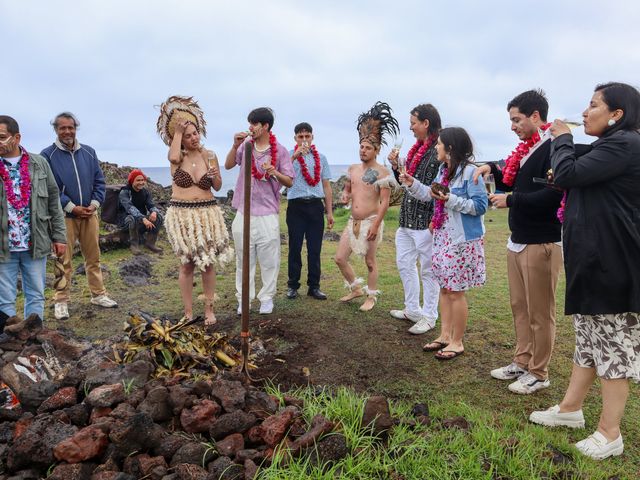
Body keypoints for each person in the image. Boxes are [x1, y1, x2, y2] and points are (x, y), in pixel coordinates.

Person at [529, 82, 640, 460]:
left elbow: (567, 174)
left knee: (612, 349)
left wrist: (561, 137)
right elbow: (574, 177)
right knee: (590, 343)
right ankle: (570, 409)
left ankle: (610, 433)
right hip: (592, 261)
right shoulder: (610, 147)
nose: (586, 111)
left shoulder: (626, 144)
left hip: (614, 263)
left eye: (593, 105)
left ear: (616, 114)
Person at [473, 90, 563, 394]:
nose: (512, 126)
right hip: (518, 239)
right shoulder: (528, 148)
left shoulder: (555, 148)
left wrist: (511, 199)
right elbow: (513, 175)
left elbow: (554, 194)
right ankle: (522, 360)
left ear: (536, 116)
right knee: (520, 307)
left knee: (540, 311)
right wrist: (492, 167)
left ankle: (540, 372)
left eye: (516, 119)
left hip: (542, 241)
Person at [400, 127, 487, 359]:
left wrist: (450, 199)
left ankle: (457, 342)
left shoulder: (471, 172)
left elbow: (480, 206)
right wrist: (412, 183)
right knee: (445, 288)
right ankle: (445, 335)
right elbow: (431, 194)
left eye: (439, 144)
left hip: (462, 240)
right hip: (442, 237)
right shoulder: (443, 170)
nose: (436, 147)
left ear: (449, 148)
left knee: (456, 291)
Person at [157, 96, 233, 326]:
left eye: (195, 133)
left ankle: (209, 310)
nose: (193, 138)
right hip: (182, 215)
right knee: (187, 263)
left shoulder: (209, 155)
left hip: (206, 212)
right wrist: (177, 133)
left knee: (207, 262)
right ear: (178, 138)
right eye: (187, 135)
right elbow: (172, 155)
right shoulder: (176, 157)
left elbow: (218, 186)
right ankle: (188, 312)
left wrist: (214, 175)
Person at [41, 112, 118, 320]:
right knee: (62, 260)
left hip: (89, 215)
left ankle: (98, 295)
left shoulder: (89, 152)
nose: (67, 131)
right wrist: (71, 207)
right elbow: (50, 188)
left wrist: (94, 204)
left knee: (93, 257)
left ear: (76, 128)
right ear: (56, 130)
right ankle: (61, 301)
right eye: (62, 128)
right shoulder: (47, 155)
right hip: (63, 217)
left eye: (70, 127)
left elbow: (99, 181)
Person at [225, 107, 294, 315]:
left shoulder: (279, 150)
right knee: (243, 258)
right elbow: (228, 165)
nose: (250, 127)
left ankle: (266, 298)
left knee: (269, 259)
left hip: (267, 212)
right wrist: (235, 144)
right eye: (250, 123)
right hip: (243, 212)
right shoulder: (245, 145)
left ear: (265, 126)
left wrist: (274, 172)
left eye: (254, 124)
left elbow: (289, 181)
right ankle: (243, 299)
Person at [0, 115, 67, 325]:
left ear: (17, 137)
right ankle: (8, 341)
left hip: (35, 243)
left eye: (2, 137)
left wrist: (59, 237)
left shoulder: (39, 164)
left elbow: (53, 201)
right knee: (4, 300)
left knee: (36, 294)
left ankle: (34, 339)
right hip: (3, 247)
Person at [335, 102, 398, 312]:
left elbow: (385, 202)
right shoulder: (352, 169)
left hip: (371, 221)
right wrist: (345, 195)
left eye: (368, 147)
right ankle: (355, 288)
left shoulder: (382, 173)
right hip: (353, 222)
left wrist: (376, 225)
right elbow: (348, 189)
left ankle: (371, 296)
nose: (363, 150)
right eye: (361, 146)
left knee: (370, 262)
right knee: (340, 258)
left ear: (376, 150)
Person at [388, 104, 442, 335]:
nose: (410, 128)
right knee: (404, 264)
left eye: (413, 123)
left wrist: (435, 220)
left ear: (426, 123)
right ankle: (412, 309)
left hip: (426, 222)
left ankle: (429, 316)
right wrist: (395, 166)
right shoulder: (417, 148)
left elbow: (436, 188)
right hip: (406, 219)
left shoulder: (439, 149)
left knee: (428, 270)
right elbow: (406, 181)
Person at [286, 122, 334, 300]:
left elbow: (327, 186)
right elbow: (281, 174)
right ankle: (292, 285)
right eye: (301, 136)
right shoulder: (288, 156)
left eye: (307, 136)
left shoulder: (321, 158)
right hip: (296, 206)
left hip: (315, 206)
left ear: (312, 137)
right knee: (295, 247)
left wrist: (329, 212)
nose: (304, 139)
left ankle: (314, 286)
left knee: (315, 249)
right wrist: (294, 157)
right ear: (295, 138)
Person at [117, 169, 163, 255]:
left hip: (140, 220)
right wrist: (143, 219)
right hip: (125, 221)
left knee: (159, 216)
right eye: (138, 180)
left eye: (143, 180)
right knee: (132, 218)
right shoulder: (124, 192)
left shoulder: (145, 192)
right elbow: (130, 208)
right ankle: (134, 245)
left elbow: (151, 205)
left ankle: (150, 243)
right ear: (132, 181)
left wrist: (154, 212)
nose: (141, 182)